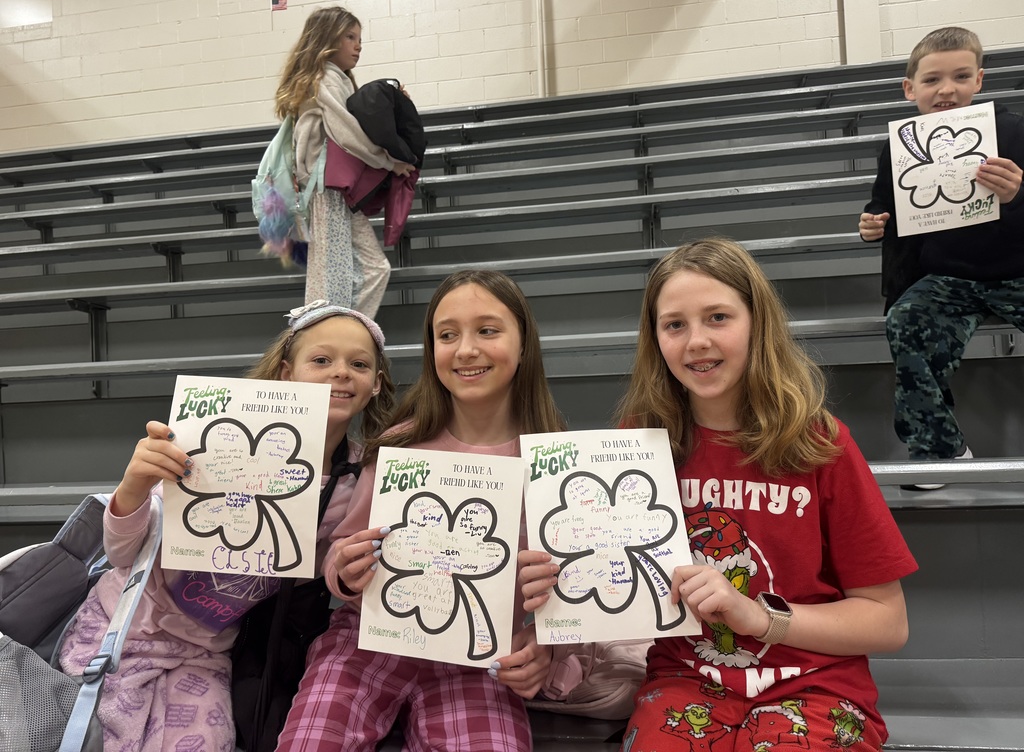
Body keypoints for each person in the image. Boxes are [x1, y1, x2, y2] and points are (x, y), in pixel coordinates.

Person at [522, 239, 918, 750]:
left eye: (718, 318)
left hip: (815, 688)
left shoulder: (820, 443)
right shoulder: (636, 443)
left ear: (757, 323)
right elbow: (614, 590)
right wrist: (560, 580)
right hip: (684, 685)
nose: (696, 342)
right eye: (675, 325)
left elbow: (888, 621)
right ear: (656, 339)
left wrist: (761, 616)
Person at [58, 301, 396, 752]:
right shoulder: (218, 438)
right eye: (321, 359)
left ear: (375, 384)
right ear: (284, 373)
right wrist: (135, 486)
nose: (341, 373)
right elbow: (122, 554)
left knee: (209, 742)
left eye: (358, 364)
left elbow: (333, 567)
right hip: (122, 631)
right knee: (106, 739)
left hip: (209, 650)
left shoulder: (362, 478)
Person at [276, 270, 566, 752]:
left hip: (482, 656)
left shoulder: (556, 461)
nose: (466, 349)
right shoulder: (398, 444)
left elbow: (574, 597)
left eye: (488, 331)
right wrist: (346, 571)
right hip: (368, 641)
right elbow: (341, 554)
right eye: (447, 335)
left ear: (524, 343)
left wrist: (550, 648)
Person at [858, 26, 1024, 487]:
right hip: (947, 277)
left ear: (980, 81)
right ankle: (940, 448)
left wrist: (1018, 194)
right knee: (906, 319)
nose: (946, 90)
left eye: (960, 76)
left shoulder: (1011, 131)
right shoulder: (897, 147)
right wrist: (872, 224)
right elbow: (883, 206)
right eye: (932, 80)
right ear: (910, 88)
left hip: (1017, 271)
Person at [276, 6, 417, 318]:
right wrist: (389, 162)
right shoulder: (325, 76)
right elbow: (348, 133)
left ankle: (346, 329)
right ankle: (320, 337)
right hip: (326, 188)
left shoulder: (337, 78)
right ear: (327, 40)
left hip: (338, 190)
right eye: (349, 37)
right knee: (330, 279)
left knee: (374, 269)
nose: (358, 45)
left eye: (359, 38)